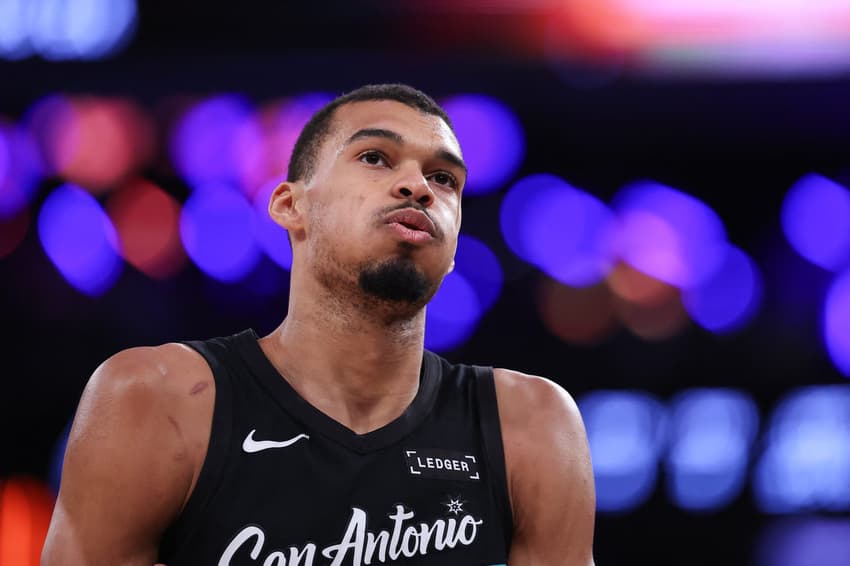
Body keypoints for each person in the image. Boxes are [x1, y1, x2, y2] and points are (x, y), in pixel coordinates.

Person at [41, 84, 596, 565]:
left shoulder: (532, 424)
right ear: (289, 206)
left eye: (444, 177)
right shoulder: (155, 399)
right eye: (376, 157)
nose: (419, 187)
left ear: (452, 248)